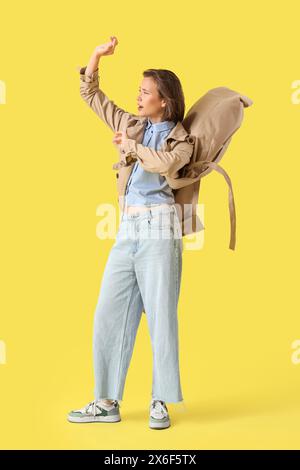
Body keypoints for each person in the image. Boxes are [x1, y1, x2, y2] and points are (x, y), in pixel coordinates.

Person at [68, 36, 187, 429]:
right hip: (128, 228)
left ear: (165, 101)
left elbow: (168, 164)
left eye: (146, 92)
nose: (138, 97)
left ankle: (160, 401)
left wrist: (134, 150)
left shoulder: (181, 139)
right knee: (109, 312)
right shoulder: (131, 124)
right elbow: (92, 95)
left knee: (160, 315)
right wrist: (96, 56)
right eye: (138, 90)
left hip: (159, 227)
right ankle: (106, 401)